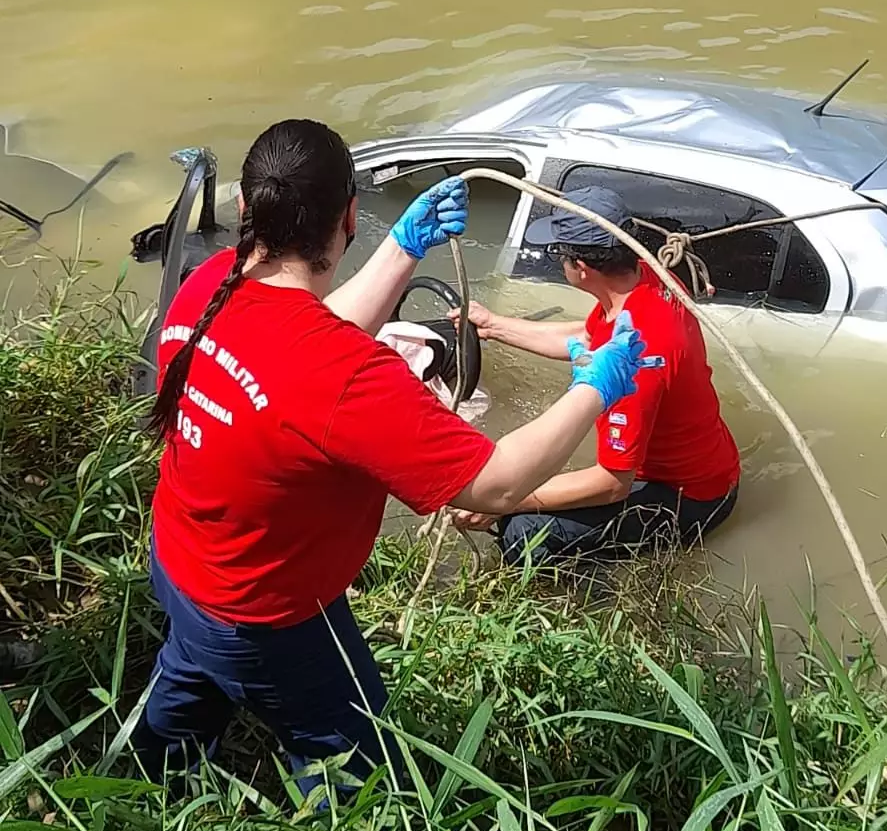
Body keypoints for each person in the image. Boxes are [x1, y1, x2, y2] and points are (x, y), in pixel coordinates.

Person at [133, 122, 654, 791]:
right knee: (359, 774)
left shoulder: (213, 281)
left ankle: (144, 787)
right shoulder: (346, 378)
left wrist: (404, 252)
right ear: (350, 215)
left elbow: (304, 345)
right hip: (268, 615)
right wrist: (594, 387)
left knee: (189, 680)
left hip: (182, 560)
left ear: (247, 210)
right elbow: (494, 486)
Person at [448, 186, 740, 565]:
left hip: (690, 500)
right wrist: (493, 326)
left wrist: (504, 501)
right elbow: (588, 337)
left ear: (580, 269)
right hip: (710, 465)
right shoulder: (645, 280)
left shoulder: (639, 361)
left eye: (559, 254)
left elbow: (611, 484)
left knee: (524, 534)